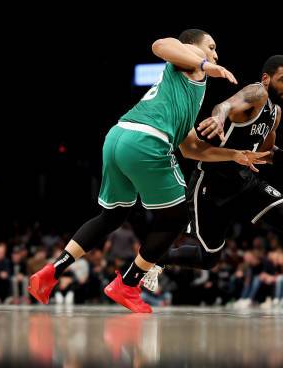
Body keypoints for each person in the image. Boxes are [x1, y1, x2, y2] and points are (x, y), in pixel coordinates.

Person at [28, 29, 267, 313]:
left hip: (118, 138)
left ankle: (50, 273)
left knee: (111, 215)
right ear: (190, 48)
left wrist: (235, 155)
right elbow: (160, 44)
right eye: (211, 47)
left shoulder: (187, 90)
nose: (216, 54)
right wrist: (205, 64)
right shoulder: (189, 64)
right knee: (177, 216)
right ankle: (128, 284)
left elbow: (191, 148)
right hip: (145, 141)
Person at [145, 55, 283, 315]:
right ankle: (156, 258)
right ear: (266, 78)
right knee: (208, 260)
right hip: (211, 185)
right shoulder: (257, 92)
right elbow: (225, 106)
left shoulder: (275, 113)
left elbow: (266, 153)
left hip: (244, 182)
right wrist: (218, 118)